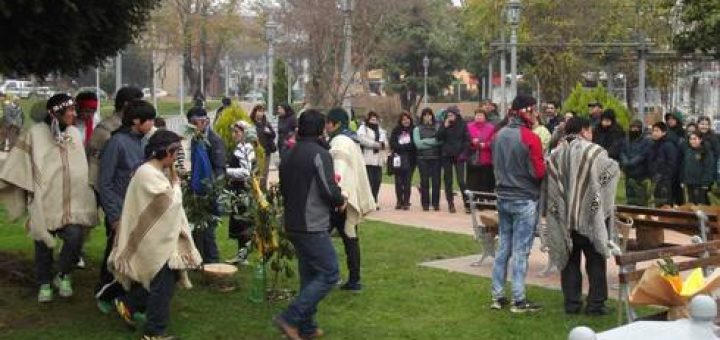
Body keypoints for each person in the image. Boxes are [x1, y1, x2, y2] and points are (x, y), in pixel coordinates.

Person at [0, 93, 97, 303]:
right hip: (44, 201)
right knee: (43, 246)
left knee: (75, 239)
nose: (74, 114)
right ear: (55, 113)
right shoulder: (35, 134)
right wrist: (28, 192)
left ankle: (63, 274)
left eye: (73, 110)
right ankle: (44, 283)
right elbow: (19, 163)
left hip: (73, 202)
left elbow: (79, 166)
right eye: (69, 110)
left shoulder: (73, 133)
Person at [108, 130, 202, 339]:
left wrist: (173, 178)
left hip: (158, 238)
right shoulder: (147, 173)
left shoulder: (154, 171)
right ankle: (154, 332)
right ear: (165, 152)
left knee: (166, 281)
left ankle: (128, 303)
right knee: (163, 286)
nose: (177, 156)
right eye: (175, 151)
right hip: (153, 241)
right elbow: (169, 203)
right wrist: (176, 184)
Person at [275, 109, 346, 340]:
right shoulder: (319, 154)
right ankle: (290, 318)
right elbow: (328, 188)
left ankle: (306, 327)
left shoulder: (289, 152)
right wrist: (340, 199)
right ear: (320, 129)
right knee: (329, 273)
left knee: (310, 274)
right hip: (312, 223)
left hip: (292, 221)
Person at [544, 116, 620, 316]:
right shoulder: (595, 152)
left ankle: (571, 303)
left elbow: (552, 188)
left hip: (563, 217)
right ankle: (596, 305)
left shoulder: (555, 155)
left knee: (569, 261)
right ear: (585, 130)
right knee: (595, 260)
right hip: (590, 215)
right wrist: (596, 198)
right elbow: (611, 172)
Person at [96, 99, 157, 311]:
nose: (152, 123)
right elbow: (104, 183)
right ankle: (104, 293)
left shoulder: (142, 141)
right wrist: (114, 216)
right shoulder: (116, 143)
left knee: (132, 255)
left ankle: (129, 297)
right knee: (114, 256)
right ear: (135, 121)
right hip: (120, 211)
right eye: (148, 119)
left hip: (138, 210)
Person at [490, 95, 545, 313]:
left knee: (503, 248)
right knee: (521, 251)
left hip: (503, 196)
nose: (536, 115)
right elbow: (539, 171)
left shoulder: (498, 135)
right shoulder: (530, 137)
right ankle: (519, 300)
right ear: (526, 112)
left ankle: (497, 295)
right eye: (534, 111)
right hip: (524, 197)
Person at [326, 108, 376, 292]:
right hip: (347, 197)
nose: (326, 126)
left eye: (328, 122)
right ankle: (354, 280)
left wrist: (341, 196)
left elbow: (339, 171)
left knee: (322, 238)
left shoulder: (340, 142)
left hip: (341, 199)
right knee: (350, 239)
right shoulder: (350, 139)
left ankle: (331, 276)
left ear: (336, 123)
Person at [186, 106, 226, 263]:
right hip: (198, 191)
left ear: (204, 121)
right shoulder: (196, 138)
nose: (193, 127)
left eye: (195, 123)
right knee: (197, 228)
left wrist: (212, 191)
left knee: (208, 228)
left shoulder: (214, 140)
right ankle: (200, 260)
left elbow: (220, 168)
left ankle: (213, 261)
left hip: (210, 191)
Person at [87, 86, 144, 190]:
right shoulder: (105, 129)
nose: (140, 109)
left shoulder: (136, 127)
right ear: (126, 104)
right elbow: (93, 165)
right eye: (137, 104)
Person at [225, 121, 257, 265]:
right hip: (237, 189)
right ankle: (241, 255)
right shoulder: (240, 148)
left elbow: (246, 172)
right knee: (239, 221)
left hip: (243, 190)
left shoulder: (246, 149)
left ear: (245, 133)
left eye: (237, 132)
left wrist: (227, 171)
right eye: (233, 132)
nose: (234, 135)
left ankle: (243, 255)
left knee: (242, 221)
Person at [437, 105, 470, 213]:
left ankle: (467, 203)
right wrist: (444, 127)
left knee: (461, 181)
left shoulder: (463, 124)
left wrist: (464, 153)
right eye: (448, 115)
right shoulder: (444, 124)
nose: (449, 116)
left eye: (451, 115)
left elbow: (466, 140)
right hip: (447, 155)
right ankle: (450, 203)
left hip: (459, 156)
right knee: (448, 181)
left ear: (456, 115)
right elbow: (438, 137)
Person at [413, 108, 442, 211]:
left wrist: (425, 141)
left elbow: (439, 141)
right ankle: (425, 204)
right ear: (422, 117)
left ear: (432, 116)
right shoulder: (417, 129)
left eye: (429, 115)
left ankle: (436, 203)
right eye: (425, 115)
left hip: (436, 158)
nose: (427, 117)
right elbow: (418, 144)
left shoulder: (438, 127)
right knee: (424, 182)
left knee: (436, 182)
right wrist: (432, 142)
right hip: (422, 158)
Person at [356, 111, 387, 207]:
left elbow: (385, 142)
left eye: (375, 119)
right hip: (367, 159)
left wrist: (383, 145)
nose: (374, 121)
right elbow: (362, 140)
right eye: (372, 119)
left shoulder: (381, 131)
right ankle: (368, 201)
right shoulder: (363, 129)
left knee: (377, 181)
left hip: (378, 160)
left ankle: (374, 199)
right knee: (369, 181)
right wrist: (376, 145)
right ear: (368, 120)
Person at [620, 120, 652, 206]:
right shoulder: (626, 140)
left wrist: (632, 162)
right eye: (632, 127)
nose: (634, 130)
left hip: (641, 173)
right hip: (629, 173)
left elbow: (643, 155)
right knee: (630, 197)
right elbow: (622, 152)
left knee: (640, 198)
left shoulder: (646, 141)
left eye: (636, 128)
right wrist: (625, 161)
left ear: (640, 129)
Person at [647, 122, 679, 207]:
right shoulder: (654, 144)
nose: (654, 133)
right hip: (655, 179)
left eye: (657, 131)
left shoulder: (668, 145)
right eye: (653, 130)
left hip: (665, 181)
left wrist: (664, 177)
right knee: (657, 203)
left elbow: (672, 164)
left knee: (665, 205)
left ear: (664, 132)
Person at [389, 112, 416, 210]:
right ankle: (399, 200)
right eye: (404, 119)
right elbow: (392, 143)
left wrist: (405, 147)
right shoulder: (396, 130)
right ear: (401, 121)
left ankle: (406, 201)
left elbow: (414, 143)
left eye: (407, 119)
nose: (406, 121)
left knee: (407, 181)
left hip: (410, 159)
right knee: (398, 181)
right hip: (398, 158)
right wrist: (401, 147)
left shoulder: (414, 129)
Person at [466, 108, 496, 195]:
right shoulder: (468, 126)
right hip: (472, 158)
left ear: (485, 117)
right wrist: (472, 141)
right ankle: (472, 201)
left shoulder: (491, 128)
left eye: (481, 115)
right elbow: (465, 139)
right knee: (473, 181)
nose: (479, 117)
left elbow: (493, 141)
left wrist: (485, 145)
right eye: (477, 115)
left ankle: (485, 201)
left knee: (485, 181)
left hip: (486, 158)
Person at [682, 131, 715, 205]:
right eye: (691, 139)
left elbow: (708, 168)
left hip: (700, 183)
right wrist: (684, 179)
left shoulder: (706, 152)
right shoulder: (688, 151)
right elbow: (685, 166)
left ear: (700, 140)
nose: (692, 141)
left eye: (695, 139)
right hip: (689, 182)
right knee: (691, 204)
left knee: (701, 205)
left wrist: (705, 183)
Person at [250, 104, 277, 190]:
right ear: (255, 112)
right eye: (259, 111)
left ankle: (263, 190)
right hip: (255, 152)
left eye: (262, 111)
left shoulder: (266, 123)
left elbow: (273, 135)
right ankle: (256, 192)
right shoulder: (251, 123)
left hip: (266, 151)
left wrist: (268, 132)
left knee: (265, 173)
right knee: (256, 173)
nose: (260, 113)